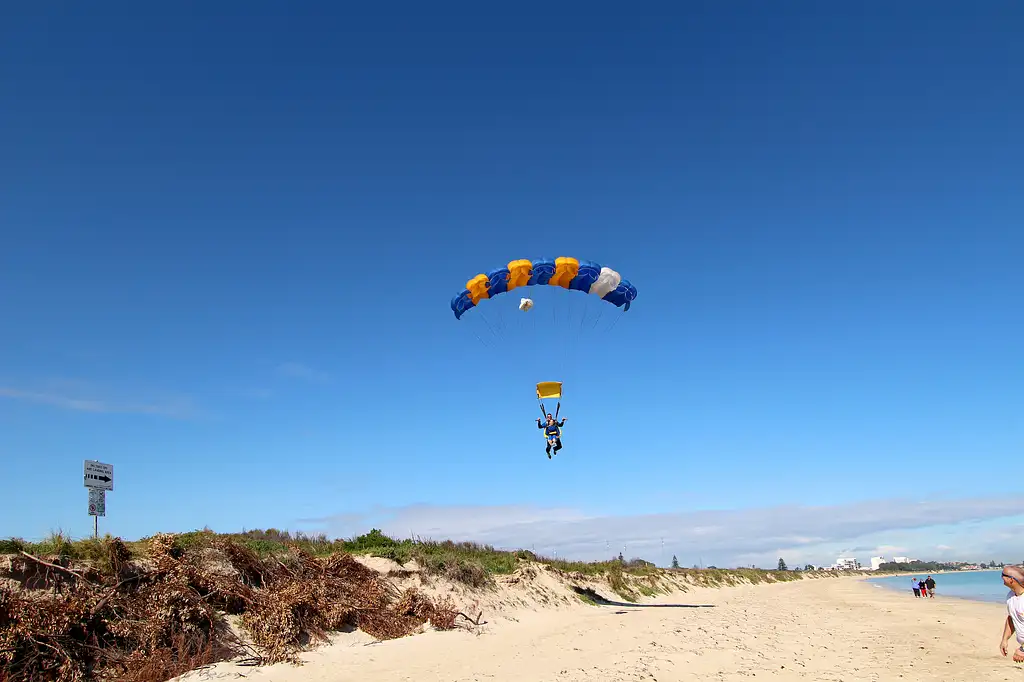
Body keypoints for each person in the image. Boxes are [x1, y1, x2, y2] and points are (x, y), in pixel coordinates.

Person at [999, 565, 1024, 663]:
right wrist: (1005, 640)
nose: (1001, 577)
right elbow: (1012, 618)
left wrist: (1022, 649)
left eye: (1003, 575)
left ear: (1011, 580)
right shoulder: (1011, 596)